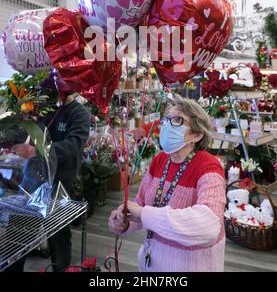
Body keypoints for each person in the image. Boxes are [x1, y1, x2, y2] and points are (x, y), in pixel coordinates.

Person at [108, 95, 226, 272]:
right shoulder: (160, 160)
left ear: (197, 134)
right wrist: (124, 222)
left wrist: (142, 213)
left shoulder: (209, 167)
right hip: (150, 262)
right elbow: (141, 206)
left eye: (177, 120)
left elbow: (209, 225)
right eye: (166, 119)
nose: (167, 125)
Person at [7, 93, 90, 272]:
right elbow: (25, 131)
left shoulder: (79, 114)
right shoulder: (43, 107)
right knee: (18, 232)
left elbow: (73, 146)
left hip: (61, 181)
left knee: (58, 234)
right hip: (33, 178)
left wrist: (38, 150)